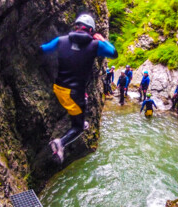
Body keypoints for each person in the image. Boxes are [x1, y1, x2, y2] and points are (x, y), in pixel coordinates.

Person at [39, 13, 118, 162]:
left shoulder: (60, 41)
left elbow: (43, 49)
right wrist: (102, 39)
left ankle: (81, 118)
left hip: (58, 88)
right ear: (91, 31)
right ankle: (60, 143)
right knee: (79, 127)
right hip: (74, 94)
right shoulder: (96, 45)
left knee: (80, 104)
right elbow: (114, 54)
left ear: (75, 27)